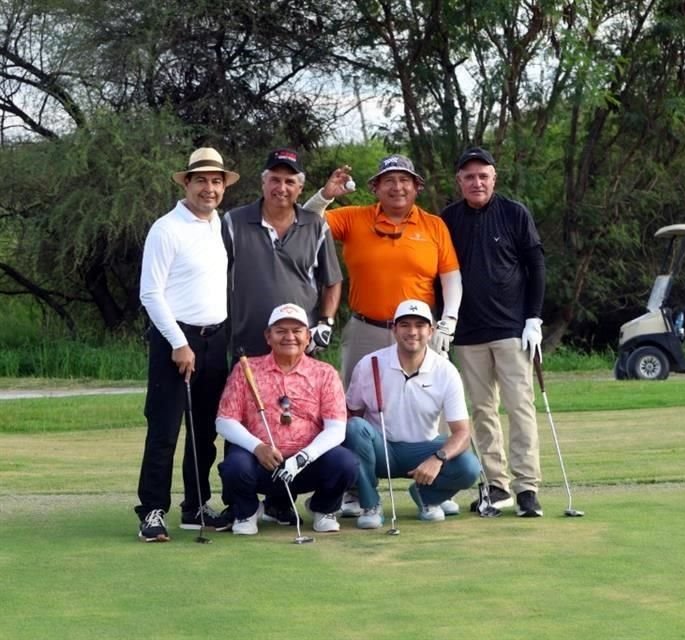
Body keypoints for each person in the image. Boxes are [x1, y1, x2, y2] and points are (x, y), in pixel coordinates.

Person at [135, 147, 239, 542]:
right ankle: (152, 511)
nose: (209, 189)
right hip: (175, 340)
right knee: (164, 430)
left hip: (215, 339)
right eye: (201, 181)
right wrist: (179, 343)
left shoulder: (220, 225)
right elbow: (151, 293)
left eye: (216, 182)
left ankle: (195, 507)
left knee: (203, 432)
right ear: (188, 184)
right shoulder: (167, 228)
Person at [441, 147, 547, 517]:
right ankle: (497, 486)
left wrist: (533, 317)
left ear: (494, 178)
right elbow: (439, 275)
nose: (477, 182)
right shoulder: (447, 220)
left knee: (520, 407)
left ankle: (526, 487)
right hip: (468, 333)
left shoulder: (514, 213)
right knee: (482, 410)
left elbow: (536, 266)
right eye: (469, 177)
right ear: (459, 182)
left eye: (483, 175)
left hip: (512, 330)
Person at [303, 154, 462, 385]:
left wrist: (449, 321)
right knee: (357, 405)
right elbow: (305, 223)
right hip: (366, 330)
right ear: (375, 188)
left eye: (404, 180)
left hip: (417, 331)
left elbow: (451, 277)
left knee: (423, 402)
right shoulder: (353, 218)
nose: (397, 187)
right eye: (388, 180)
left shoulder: (434, 225)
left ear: (416, 187)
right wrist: (325, 196)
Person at [215, 303, 359, 535]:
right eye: (281, 330)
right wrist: (258, 447)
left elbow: (336, 429)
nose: (289, 337)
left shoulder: (325, 373)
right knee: (234, 466)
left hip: (307, 464)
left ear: (308, 336)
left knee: (345, 463)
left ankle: (323, 508)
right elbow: (224, 421)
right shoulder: (246, 369)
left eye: (297, 330)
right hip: (261, 460)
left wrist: (303, 458)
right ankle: (248, 510)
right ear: (268, 336)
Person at [342, 299, 481, 528]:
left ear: (431, 330)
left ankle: (426, 496)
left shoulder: (445, 371)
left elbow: (462, 433)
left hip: (424, 449)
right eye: (405, 325)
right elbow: (352, 416)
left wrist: (437, 459)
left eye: (420, 325)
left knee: (469, 467)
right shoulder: (370, 363)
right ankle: (369, 503)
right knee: (355, 428)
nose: (412, 332)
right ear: (394, 329)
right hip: (381, 449)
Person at [222, 148, 343, 360]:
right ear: (263, 183)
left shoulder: (315, 225)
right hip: (249, 345)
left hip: (301, 346)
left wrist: (326, 323)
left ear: (300, 188)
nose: (282, 188)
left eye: (289, 182)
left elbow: (332, 281)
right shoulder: (234, 222)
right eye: (275, 180)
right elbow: (213, 277)